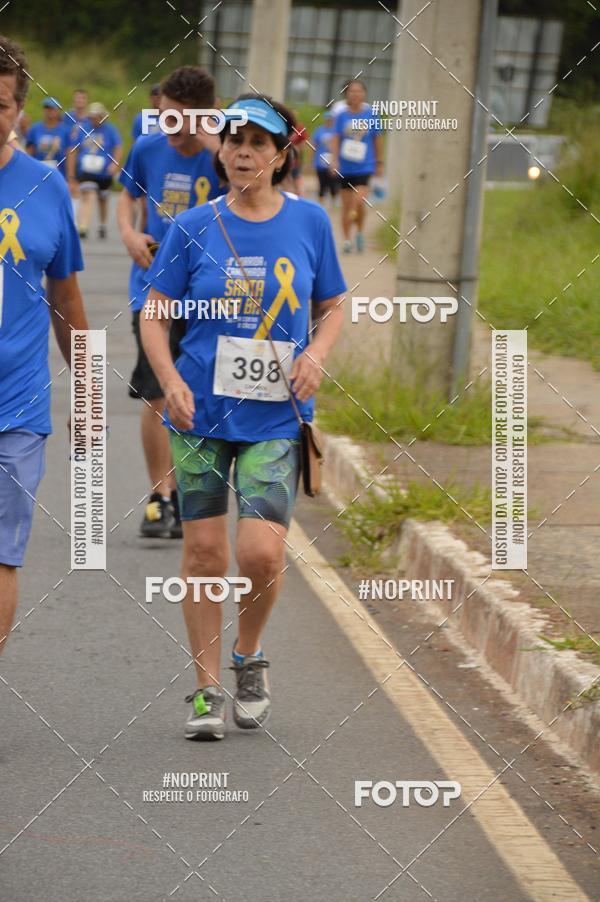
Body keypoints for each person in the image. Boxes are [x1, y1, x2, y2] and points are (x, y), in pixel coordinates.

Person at [140, 94, 346, 740]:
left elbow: (335, 304)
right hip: (199, 414)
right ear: (220, 149)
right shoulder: (194, 225)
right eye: (234, 141)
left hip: (275, 419)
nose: (243, 154)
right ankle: (205, 690)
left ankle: (248, 655)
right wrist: (169, 379)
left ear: (282, 154)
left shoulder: (310, 223)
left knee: (259, 553)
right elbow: (155, 312)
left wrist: (316, 352)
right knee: (204, 553)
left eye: (258, 143)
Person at [0, 35, 88, 655]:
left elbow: (68, 298)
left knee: (1, 556)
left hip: (17, 407)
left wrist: (87, 390)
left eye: (0, 103)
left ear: (18, 112)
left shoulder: (47, 186)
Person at [117, 66, 224, 540]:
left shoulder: (226, 157)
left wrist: (214, 144)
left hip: (210, 294)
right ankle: (161, 496)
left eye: (182, 121)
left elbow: (257, 188)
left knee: (199, 394)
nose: (170, 129)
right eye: (164, 118)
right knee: (158, 393)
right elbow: (127, 196)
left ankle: (192, 492)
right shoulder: (147, 148)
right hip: (154, 287)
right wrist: (128, 232)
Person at [330, 79, 382, 253]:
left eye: (359, 91)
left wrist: (379, 162)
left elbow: (377, 139)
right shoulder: (341, 116)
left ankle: (359, 232)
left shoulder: (371, 115)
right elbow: (335, 138)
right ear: (346, 95)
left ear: (364, 94)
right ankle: (346, 239)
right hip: (345, 167)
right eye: (352, 91)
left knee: (358, 201)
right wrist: (334, 160)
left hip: (365, 165)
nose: (356, 94)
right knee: (346, 206)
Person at [68, 102, 122, 239]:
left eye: (97, 116)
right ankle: (83, 226)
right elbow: (73, 150)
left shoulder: (110, 130)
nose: (94, 119)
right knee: (88, 194)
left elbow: (117, 147)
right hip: (86, 170)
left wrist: (114, 164)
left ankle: (102, 225)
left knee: (103, 199)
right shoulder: (82, 129)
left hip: (104, 172)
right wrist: (72, 172)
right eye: (92, 116)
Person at [25, 96, 71, 176]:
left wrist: (70, 176)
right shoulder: (35, 129)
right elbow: (29, 153)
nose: (50, 111)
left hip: (59, 173)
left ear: (58, 110)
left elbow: (70, 154)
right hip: (39, 173)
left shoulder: (66, 130)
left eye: (53, 108)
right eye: (47, 107)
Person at [311, 111, 340, 205]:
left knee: (333, 183)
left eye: (331, 119)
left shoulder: (336, 131)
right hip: (320, 161)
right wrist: (311, 159)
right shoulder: (319, 130)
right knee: (322, 184)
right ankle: (321, 204)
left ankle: (334, 202)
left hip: (333, 161)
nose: (329, 121)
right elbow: (313, 145)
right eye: (327, 119)